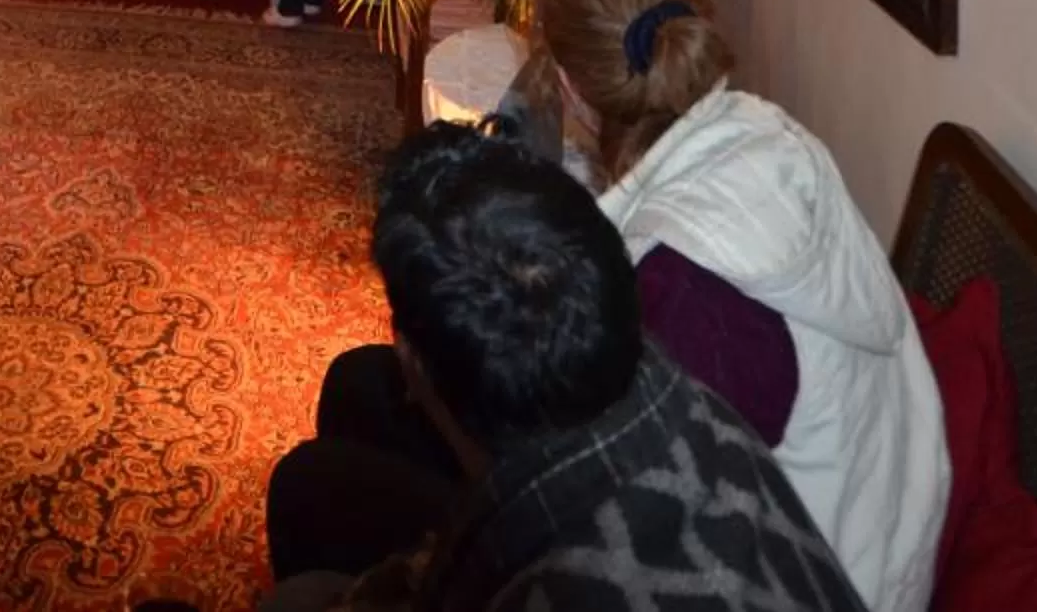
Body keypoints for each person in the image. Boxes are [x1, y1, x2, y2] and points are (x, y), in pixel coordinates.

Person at [246, 124, 864, 612]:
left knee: (298, 561)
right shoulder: (674, 386)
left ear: (419, 366)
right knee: (356, 384)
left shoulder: (560, 585)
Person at [531, 0, 948, 612]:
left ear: (572, 89)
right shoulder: (766, 139)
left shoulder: (687, 293)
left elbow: (646, 518)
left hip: (817, 580)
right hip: (881, 540)